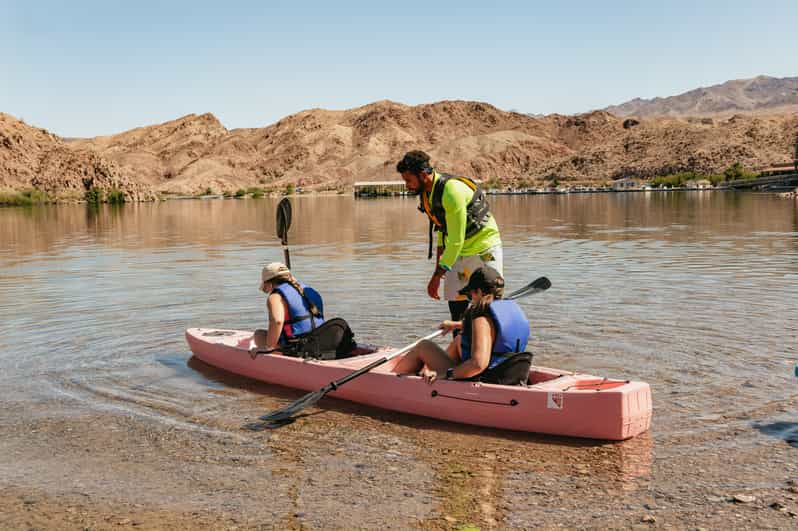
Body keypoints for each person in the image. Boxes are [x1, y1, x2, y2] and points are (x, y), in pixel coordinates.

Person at [396, 150, 503, 323]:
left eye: (409, 180)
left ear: (423, 175)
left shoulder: (452, 191)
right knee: (456, 306)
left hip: (484, 247)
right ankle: (461, 347)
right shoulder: (426, 194)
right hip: (458, 251)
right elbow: (443, 231)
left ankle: (493, 347)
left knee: (490, 307)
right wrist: (440, 266)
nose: (407, 185)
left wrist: (437, 276)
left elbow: (456, 240)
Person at [392, 266, 531, 385]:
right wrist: (456, 325)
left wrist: (447, 374)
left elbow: (478, 364)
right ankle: (427, 372)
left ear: (479, 292)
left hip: (485, 378)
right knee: (460, 339)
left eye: (471, 295)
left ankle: (391, 380)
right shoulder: (509, 309)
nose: (471, 300)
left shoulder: (481, 316)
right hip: (511, 373)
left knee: (423, 346)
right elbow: (493, 331)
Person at [251, 262, 325, 353]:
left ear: (269, 283)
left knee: (259, 334)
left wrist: (268, 347)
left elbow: (277, 321)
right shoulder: (310, 290)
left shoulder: (275, 297)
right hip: (321, 341)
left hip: (297, 347)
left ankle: (277, 356)